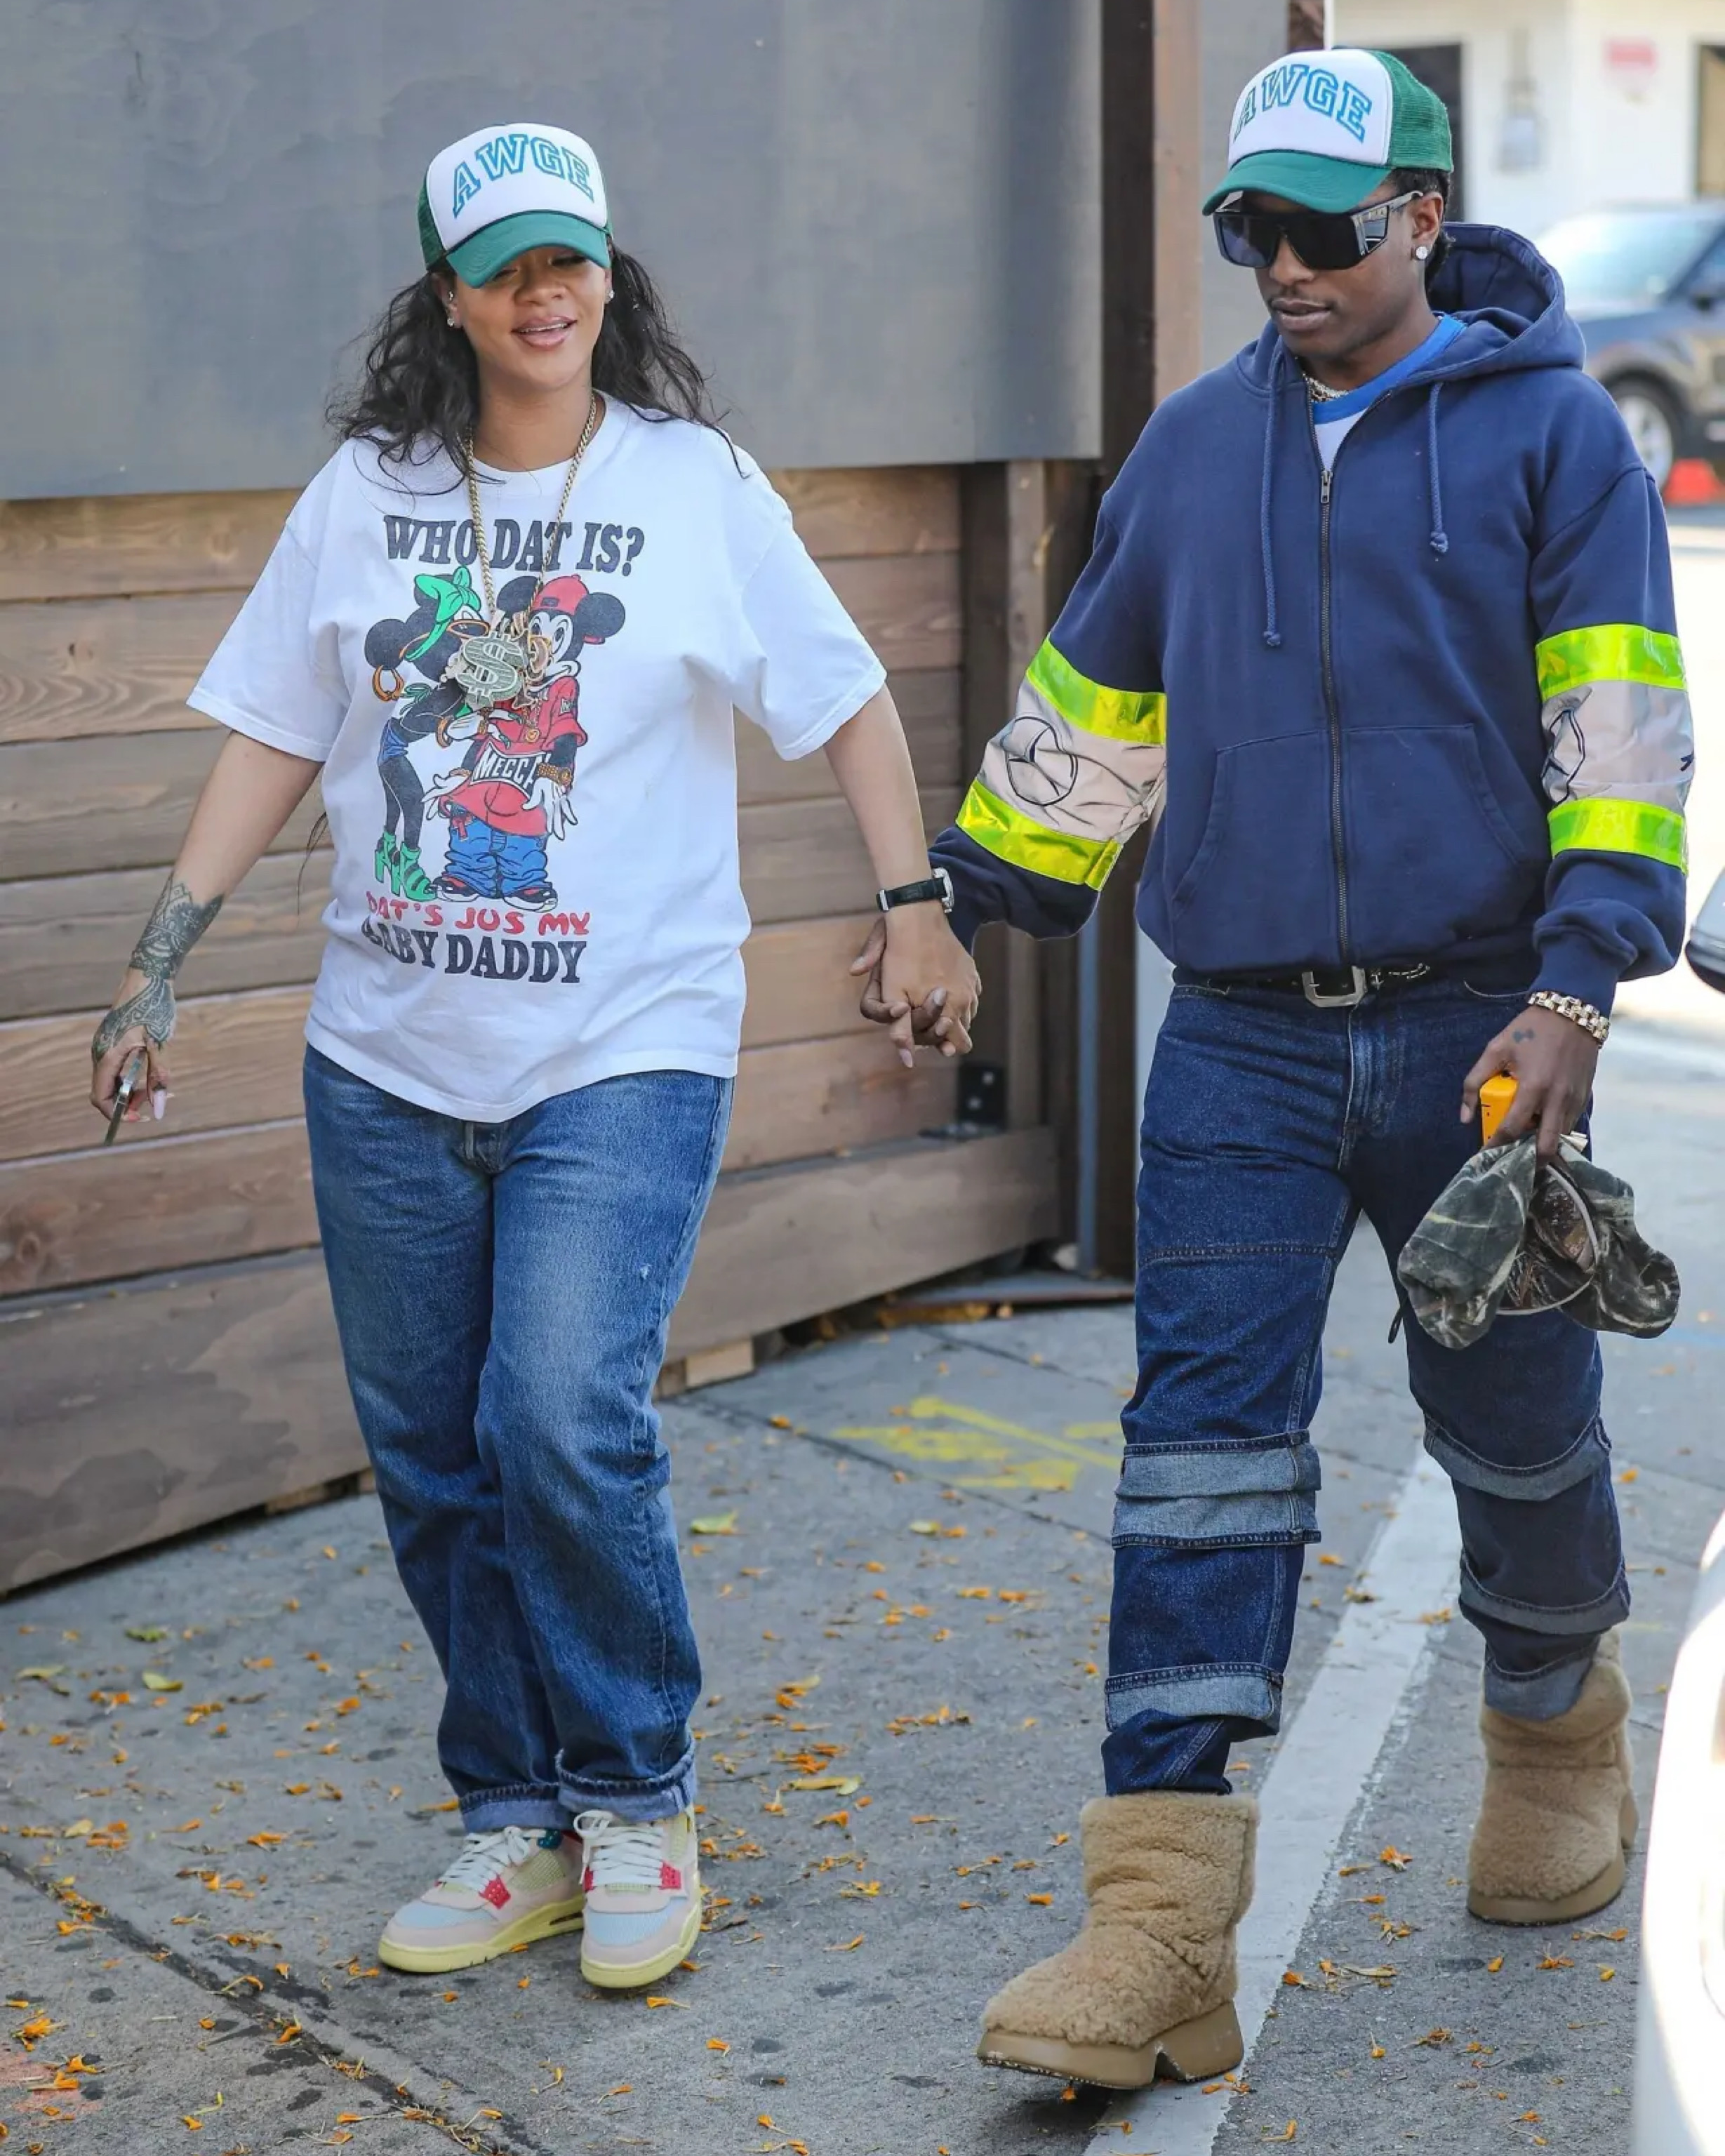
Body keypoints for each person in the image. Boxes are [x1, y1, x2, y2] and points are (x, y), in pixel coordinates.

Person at [89, 121, 978, 1993]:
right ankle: (520, 1820)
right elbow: (271, 727)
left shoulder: (693, 488)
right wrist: (156, 965)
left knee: (557, 1417)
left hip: (623, 1044)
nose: (544, 292)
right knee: (430, 1459)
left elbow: (847, 696)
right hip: (386, 1053)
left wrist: (914, 903)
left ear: (608, 273)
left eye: (570, 258)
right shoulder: (366, 492)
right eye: (504, 268)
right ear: (447, 296)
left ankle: (637, 1800)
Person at [891, 46, 1691, 2091]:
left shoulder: (1553, 446)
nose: (1278, 264)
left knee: (1510, 1424)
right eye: (1247, 225)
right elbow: (1098, 699)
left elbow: (1615, 727)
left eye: (1321, 228)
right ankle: (1158, 1922)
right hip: (1235, 1035)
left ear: (1422, 216)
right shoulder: (1187, 448)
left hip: (1476, 1024)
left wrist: (1581, 988)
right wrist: (968, 899)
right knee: (1198, 1451)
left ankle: (1550, 1725)